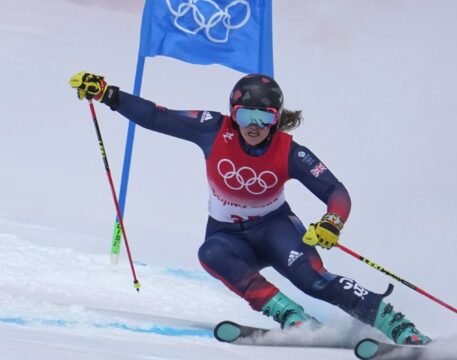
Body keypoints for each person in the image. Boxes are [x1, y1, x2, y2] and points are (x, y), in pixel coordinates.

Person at [68, 71, 432, 345]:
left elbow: (336, 191)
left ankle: (395, 324)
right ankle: (292, 316)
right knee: (209, 253)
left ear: (277, 118)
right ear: (232, 115)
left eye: (265, 119)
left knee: (313, 281)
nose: (254, 127)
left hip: (276, 230)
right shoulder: (212, 128)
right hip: (227, 236)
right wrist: (109, 94)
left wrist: (332, 222)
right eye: (245, 117)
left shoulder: (290, 151)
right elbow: (158, 116)